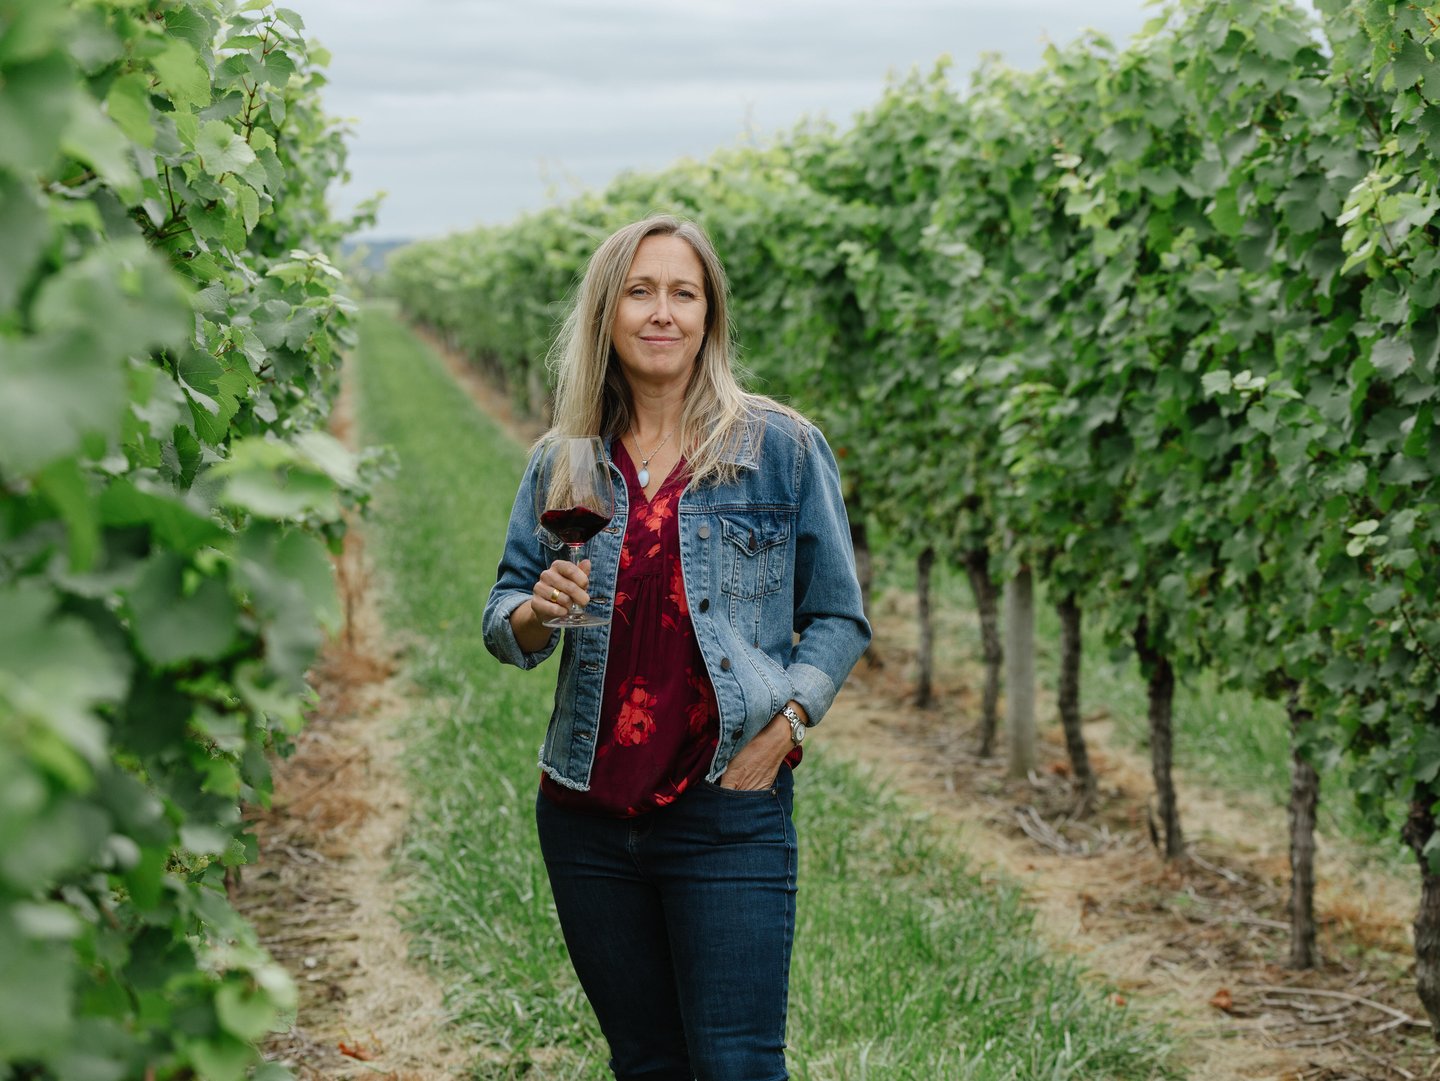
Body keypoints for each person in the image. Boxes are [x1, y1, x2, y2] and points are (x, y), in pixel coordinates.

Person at [483, 214, 870, 1081]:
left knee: (736, 1065)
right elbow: (505, 613)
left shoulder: (781, 449)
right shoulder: (565, 459)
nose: (663, 312)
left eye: (683, 293)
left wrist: (787, 724)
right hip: (585, 813)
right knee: (649, 1064)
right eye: (641, 290)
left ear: (710, 316)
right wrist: (538, 611)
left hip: (725, 806)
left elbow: (840, 617)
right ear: (607, 314)